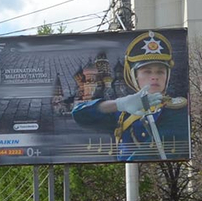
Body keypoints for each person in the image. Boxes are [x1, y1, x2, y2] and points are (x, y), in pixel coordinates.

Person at [71, 31, 188, 161]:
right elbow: (79, 114)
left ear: (167, 76)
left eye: (160, 72)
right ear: (134, 76)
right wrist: (120, 104)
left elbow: (152, 151)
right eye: (147, 72)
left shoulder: (179, 111)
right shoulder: (124, 113)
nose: (154, 77)